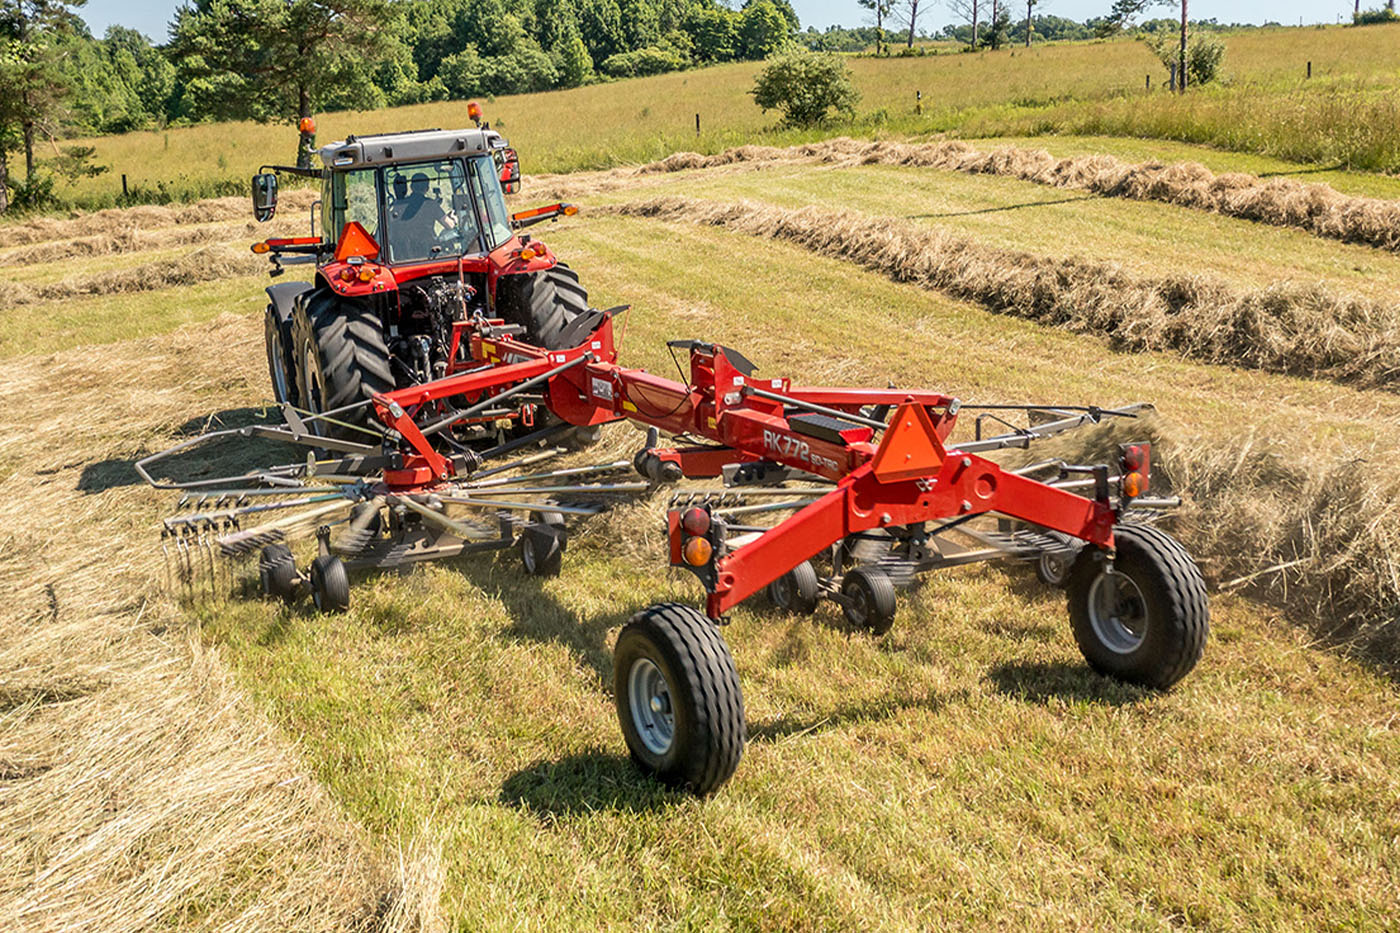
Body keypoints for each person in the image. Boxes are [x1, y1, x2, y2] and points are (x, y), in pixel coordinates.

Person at [390, 171, 455, 258]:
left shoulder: (397, 206)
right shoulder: (431, 204)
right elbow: (449, 225)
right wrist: (454, 219)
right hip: (428, 254)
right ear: (427, 188)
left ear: (411, 187)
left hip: (403, 256)